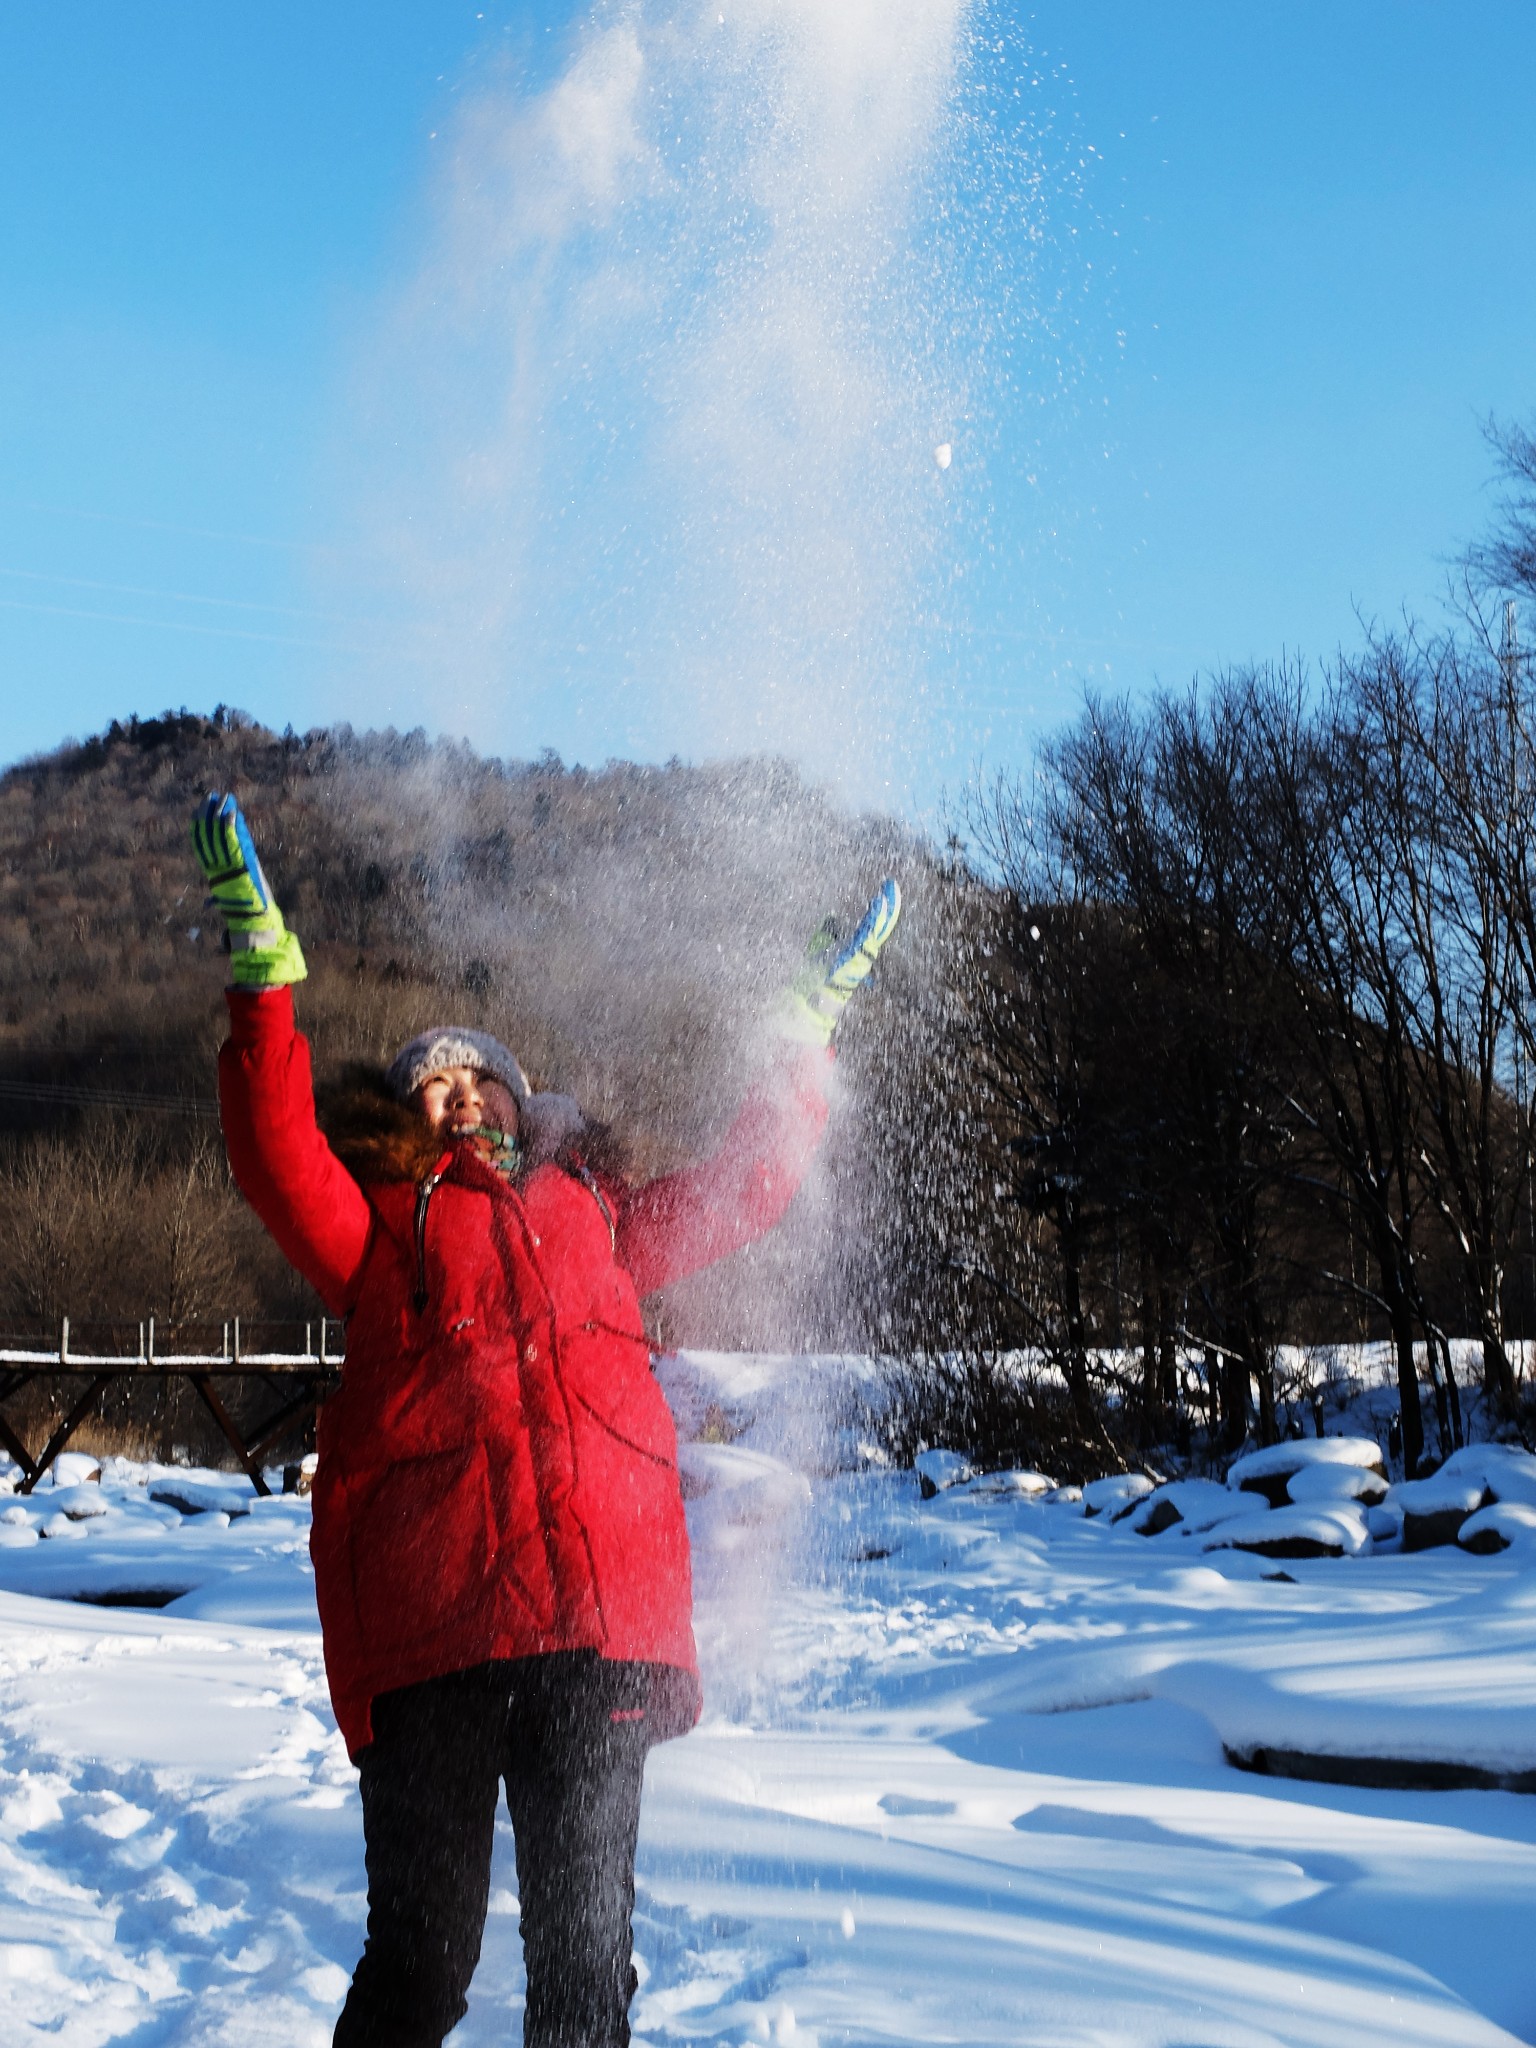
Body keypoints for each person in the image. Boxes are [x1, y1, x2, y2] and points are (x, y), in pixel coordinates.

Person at [190, 792, 900, 2048]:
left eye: (479, 1078)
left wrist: (808, 1027)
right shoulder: (380, 1231)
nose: (456, 1092)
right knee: (421, 1961)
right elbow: (274, 1151)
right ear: (406, 1120)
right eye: (431, 1083)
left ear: (521, 1106)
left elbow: (750, 1184)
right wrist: (264, 974)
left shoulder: (602, 1218)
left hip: (593, 1627)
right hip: (433, 1639)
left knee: (585, 1966)